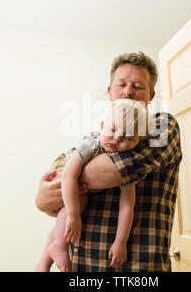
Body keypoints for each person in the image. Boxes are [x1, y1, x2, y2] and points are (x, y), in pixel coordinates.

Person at [35, 52, 182, 271]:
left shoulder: (161, 127)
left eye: (138, 86)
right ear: (110, 92)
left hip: (139, 267)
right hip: (82, 267)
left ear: (150, 96)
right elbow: (58, 204)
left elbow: (112, 172)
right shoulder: (94, 137)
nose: (128, 90)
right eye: (122, 83)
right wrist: (43, 199)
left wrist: (69, 176)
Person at [36, 99, 149, 272]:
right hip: (64, 169)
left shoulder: (128, 165)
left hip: (77, 180)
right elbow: (68, 176)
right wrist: (74, 215)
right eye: (112, 129)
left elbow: (127, 206)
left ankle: (43, 263)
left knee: (63, 220)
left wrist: (120, 242)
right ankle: (58, 245)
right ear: (102, 125)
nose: (117, 138)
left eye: (128, 138)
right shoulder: (92, 144)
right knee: (77, 205)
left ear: (137, 144)